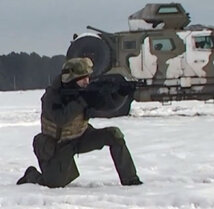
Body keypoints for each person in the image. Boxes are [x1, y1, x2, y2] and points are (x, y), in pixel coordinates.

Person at [17, 57, 142, 188]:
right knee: (54, 184)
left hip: (81, 136)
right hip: (58, 144)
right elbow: (60, 118)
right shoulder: (52, 96)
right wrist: (82, 101)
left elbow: (108, 107)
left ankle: (130, 180)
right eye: (82, 79)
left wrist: (120, 94)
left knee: (114, 135)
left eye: (88, 77)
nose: (87, 82)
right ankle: (31, 175)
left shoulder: (83, 92)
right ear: (71, 79)